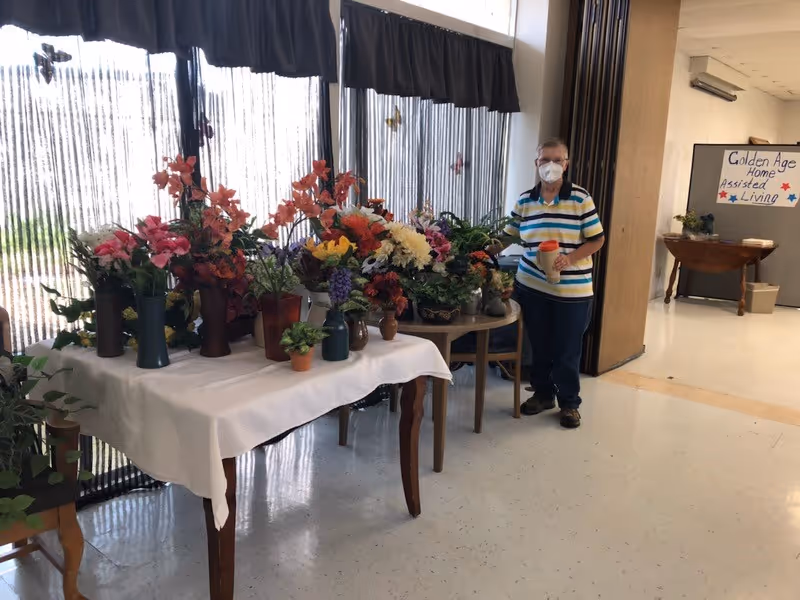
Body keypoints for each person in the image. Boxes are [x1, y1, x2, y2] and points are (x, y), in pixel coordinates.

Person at [504, 138, 605, 429]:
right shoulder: (525, 200)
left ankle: (570, 404)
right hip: (532, 286)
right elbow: (509, 236)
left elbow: (597, 239)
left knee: (567, 347)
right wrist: (478, 250)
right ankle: (543, 394)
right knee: (540, 344)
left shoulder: (580, 198)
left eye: (557, 160)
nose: (551, 166)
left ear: (567, 164)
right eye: (545, 160)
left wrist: (571, 258)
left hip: (572, 289)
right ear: (536, 164)